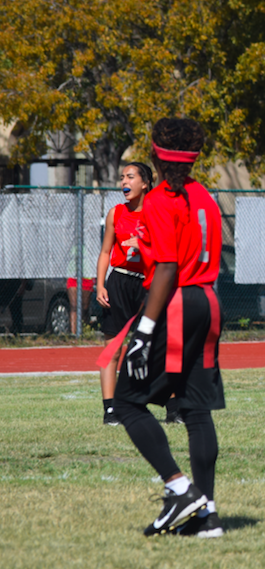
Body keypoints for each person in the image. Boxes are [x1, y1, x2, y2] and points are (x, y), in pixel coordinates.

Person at [108, 117, 225, 538]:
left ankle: (180, 490)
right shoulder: (204, 195)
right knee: (195, 409)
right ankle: (207, 518)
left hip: (176, 303)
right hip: (209, 300)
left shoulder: (160, 199)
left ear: (157, 154)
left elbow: (169, 267)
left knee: (124, 402)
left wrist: (143, 330)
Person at [95, 162, 152, 425]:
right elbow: (106, 252)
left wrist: (142, 243)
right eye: (122, 177)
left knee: (159, 346)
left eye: (130, 177)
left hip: (149, 284)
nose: (124, 182)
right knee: (112, 348)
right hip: (119, 282)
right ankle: (110, 410)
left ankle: (173, 407)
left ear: (145, 183)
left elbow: (169, 249)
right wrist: (100, 284)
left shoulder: (157, 213)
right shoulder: (115, 213)